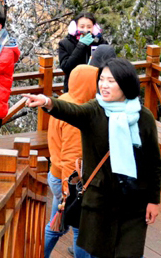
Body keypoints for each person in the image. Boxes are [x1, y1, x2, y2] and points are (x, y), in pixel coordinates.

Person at [25, 59, 161, 258]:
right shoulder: (94, 110)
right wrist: (47, 102)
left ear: (125, 83)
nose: (104, 85)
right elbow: (71, 111)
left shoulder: (143, 117)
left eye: (111, 81)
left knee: (130, 253)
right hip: (100, 201)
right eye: (102, 80)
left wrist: (153, 200)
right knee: (99, 253)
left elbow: (154, 163)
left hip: (133, 201)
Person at [45, 64, 97, 258]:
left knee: (55, 226)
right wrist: (70, 193)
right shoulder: (77, 116)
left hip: (56, 173)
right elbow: (72, 158)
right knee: (80, 231)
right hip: (69, 181)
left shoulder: (65, 100)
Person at [58, 12, 106, 92]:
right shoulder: (65, 43)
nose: (85, 30)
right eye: (82, 26)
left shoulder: (100, 42)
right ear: (75, 27)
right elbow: (66, 67)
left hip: (95, 88)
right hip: (74, 88)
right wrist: (81, 45)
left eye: (89, 27)